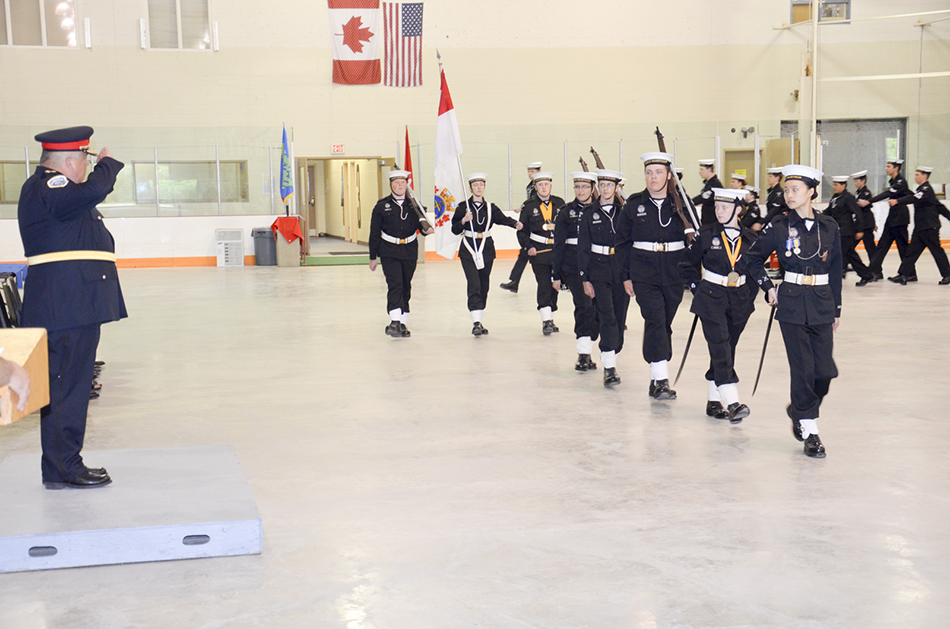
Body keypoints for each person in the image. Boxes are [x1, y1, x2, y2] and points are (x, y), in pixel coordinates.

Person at [18, 126, 125, 488]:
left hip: (72, 304)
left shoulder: (57, 194)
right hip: (64, 306)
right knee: (67, 388)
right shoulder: (50, 186)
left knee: (70, 386)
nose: (88, 167)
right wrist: (108, 166)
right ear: (68, 162)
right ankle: (65, 467)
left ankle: (61, 464)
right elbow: (96, 188)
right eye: (86, 159)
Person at [744, 165, 842, 459]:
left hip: (823, 301)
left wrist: (837, 308)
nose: (789, 194)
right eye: (786, 189)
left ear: (811, 192)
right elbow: (753, 261)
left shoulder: (830, 226)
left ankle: (798, 409)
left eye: (795, 189)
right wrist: (768, 288)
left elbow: (836, 268)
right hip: (792, 303)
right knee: (803, 370)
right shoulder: (779, 226)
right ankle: (810, 431)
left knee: (824, 371)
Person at [680, 188, 757, 423]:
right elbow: (686, 264)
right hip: (711, 296)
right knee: (720, 343)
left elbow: (755, 271)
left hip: (739, 299)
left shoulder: (751, 239)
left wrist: (749, 296)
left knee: (726, 348)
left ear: (738, 210)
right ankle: (732, 401)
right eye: (716, 207)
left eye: (724, 207)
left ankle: (713, 402)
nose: (719, 211)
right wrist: (697, 289)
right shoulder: (706, 235)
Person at [619, 152, 690, 400]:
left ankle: (655, 375)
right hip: (644, 272)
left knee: (664, 323)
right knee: (656, 320)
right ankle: (661, 379)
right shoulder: (634, 204)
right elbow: (623, 242)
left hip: (674, 271)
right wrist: (626, 276)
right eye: (649, 173)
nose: (653, 177)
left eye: (659, 172)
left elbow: (695, 240)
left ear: (669, 176)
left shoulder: (681, 204)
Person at [451, 173, 523, 335]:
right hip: (468, 249)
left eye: (481, 185)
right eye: (475, 185)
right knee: (474, 283)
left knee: (484, 284)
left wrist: (515, 224)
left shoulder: (490, 207)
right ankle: (475, 322)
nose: (478, 188)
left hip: (487, 249)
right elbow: (454, 229)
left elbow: (502, 219)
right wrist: (463, 220)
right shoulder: (463, 207)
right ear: (470, 188)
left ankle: (480, 318)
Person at [578, 169, 630, 385]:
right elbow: (583, 247)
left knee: (619, 318)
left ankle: (612, 355)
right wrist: (584, 278)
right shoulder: (590, 213)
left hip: (620, 270)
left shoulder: (624, 213)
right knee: (607, 317)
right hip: (598, 270)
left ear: (617, 188)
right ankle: (609, 367)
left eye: (610, 185)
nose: (606, 189)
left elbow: (630, 245)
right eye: (603, 185)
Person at [368, 170, 434, 338]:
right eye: (396, 182)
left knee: (406, 285)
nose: (400, 186)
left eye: (403, 182)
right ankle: (394, 321)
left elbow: (422, 226)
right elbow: (374, 233)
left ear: (407, 185)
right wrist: (372, 257)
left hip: (409, 250)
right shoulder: (381, 206)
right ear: (391, 184)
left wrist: (428, 231)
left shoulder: (415, 205)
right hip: (389, 250)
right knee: (395, 284)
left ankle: (402, 323)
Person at [553, 172, 600, 371]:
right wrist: (556, 274)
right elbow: (558, 245)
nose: (581, 191)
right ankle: (583, 354)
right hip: (573, 266)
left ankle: (590, 345)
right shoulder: (566, 212)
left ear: (592, 188)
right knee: (584, 306)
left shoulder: (601, 210)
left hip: (598, 264)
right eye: (577, 187)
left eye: (585, 187)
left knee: (597, 310)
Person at [518, 172, 565, 335]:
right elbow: (522, 231)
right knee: (544, 285)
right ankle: (546, 320)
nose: (543, 187)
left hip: (557, 252)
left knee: (555, 286)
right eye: (540, 185)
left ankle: (550, 317)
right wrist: (528, 247)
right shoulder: (529, 206)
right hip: (539, 252)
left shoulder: (560, 203)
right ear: (535, 187)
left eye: (546, 184)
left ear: (550, 186)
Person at [889, 166, 950, 285]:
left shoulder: (926, 190)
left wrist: (898, 201)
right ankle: (903, 275)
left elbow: (912, 198)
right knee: (911, 252)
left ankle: (947, 275)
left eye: (918, 174)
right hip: (921, 228)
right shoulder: (922, 190)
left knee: (937, 251)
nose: (915, 176)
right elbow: (939, 206)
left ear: (924, 176)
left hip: (929, 227)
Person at [861, 159, 910, 281]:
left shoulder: (900, 182)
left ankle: (909, 273)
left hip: (900, 219)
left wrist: (869, 201)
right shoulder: (894, 181)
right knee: (882, 246)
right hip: (893, 218)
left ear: (896, 168)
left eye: (888, 166)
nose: (886, 168)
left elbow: (886, 194)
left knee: (902, 247)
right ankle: (874, 271)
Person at [500, 162, 542, 293]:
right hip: (531, 222)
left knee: (526, 253)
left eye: (533, 171)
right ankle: (514, 281)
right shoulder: (530, 186)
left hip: (538, 224)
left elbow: (536, 202)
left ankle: (514, 282)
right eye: (529, 171)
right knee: (524, 253)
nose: (530, 174)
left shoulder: (539, 186)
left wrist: (522, 207)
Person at [827, 175, 874, 287]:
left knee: (845, 254)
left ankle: (864, 274)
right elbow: (829, 211)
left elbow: (857, 213)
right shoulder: (835, 197)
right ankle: (866, 274)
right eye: (834, 184)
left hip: (847, 231)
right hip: (839, 230)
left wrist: (859, 230)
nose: (834, 187)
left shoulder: (848, 197)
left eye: (836, 185)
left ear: (843, 185)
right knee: (849, 254)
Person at [851, 170, 878, 270]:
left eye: (857, 181)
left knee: (870, 249)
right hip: (860, 224)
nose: (855, 183)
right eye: (854, 181)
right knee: (850, 246)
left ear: (863, 181)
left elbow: (865, 208)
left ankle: (876, 270)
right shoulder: (858, 193)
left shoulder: (866, 193)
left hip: (866, 224)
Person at [692, 159, 722, 226]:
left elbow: (703, 198)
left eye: (702, 169)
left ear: (708, 170)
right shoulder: (709, 183)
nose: (699, 172)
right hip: (708, 219)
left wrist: (690, 203)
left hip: (712, 220)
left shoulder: (714, 184)